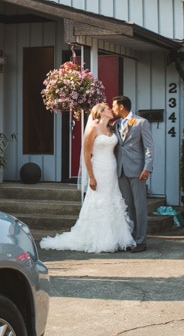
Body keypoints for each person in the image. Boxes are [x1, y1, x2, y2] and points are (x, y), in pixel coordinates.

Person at [39, 103, 135, 253]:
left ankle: (117, 237)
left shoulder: (111, 128)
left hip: (112, 169)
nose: (111, 110)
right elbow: (86, 154)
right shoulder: (92, 129)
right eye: (108, 108)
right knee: (99, 201)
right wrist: (91, 177)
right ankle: (100, 238)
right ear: (101, 112)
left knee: (113, 199)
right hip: (98, 168)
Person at [113, 95, 154, 253]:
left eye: (114, 105)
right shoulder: (116, 124)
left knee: (140, 205)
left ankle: (141, 240)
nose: (113, 108)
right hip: (121, 169)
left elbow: (149, 147)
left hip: (137, 170)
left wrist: (147, 167)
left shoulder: (141, 122)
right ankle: (130, 238)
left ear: (122, 107)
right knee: (128, 206)